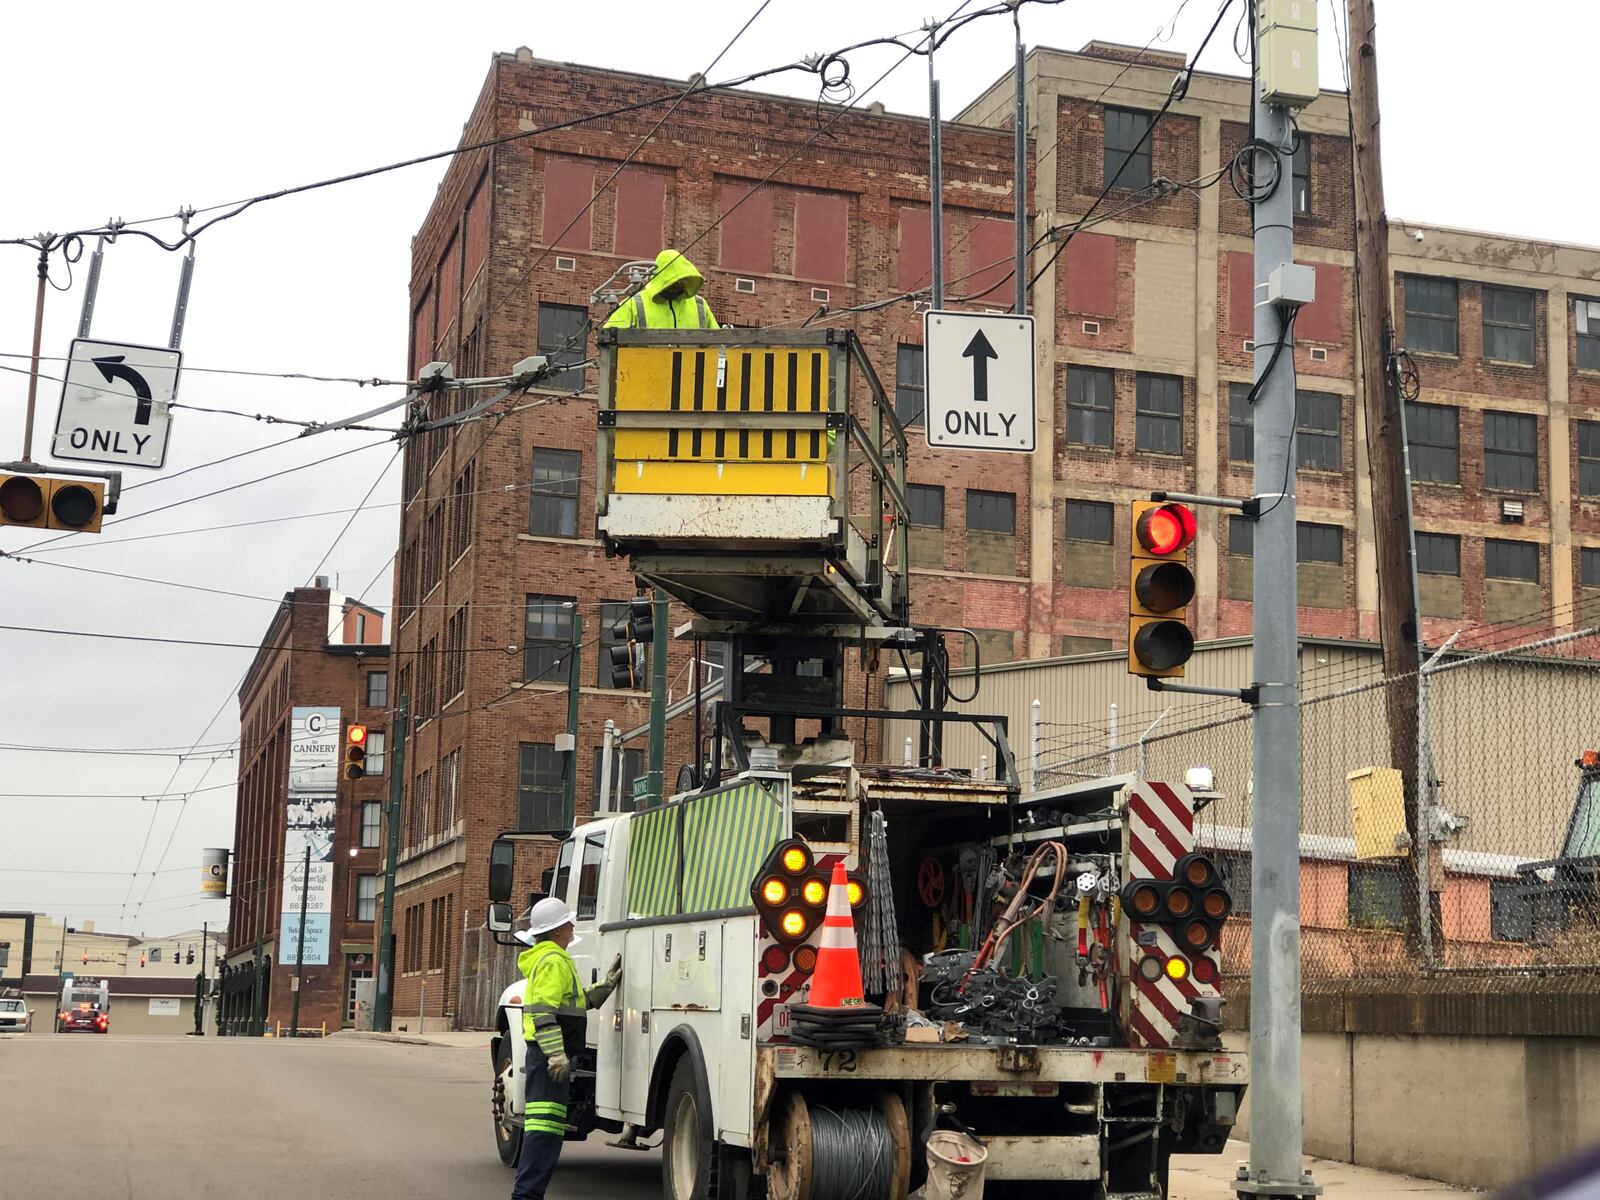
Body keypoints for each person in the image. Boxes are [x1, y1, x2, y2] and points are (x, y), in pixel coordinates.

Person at [511, 897, 622, 1200]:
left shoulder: (554, 959)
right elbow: (543, 1012)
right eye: (568, 922)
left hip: (547, 1060)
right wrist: (555, 1054)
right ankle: (526, 1196)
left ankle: (528, 1195)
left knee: (546, 1133)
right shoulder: (552, 962)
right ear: (556, 929)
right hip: (549, 1061)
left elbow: (571, 1005)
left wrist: (604, 989)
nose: (573, 926)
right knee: (544, 1134)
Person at [602, 248, 718, 330]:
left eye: (680, 281)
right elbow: (608, 336)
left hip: (690, 365)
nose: (676, 286)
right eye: (672, 282)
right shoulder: (634, 304)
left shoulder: (700, 305)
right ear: (661, 279)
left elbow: (719, 342)